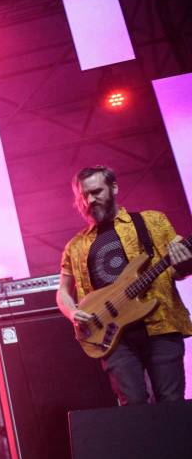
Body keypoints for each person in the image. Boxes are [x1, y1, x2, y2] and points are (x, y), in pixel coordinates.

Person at [56, 165, 192, 405]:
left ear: (114, 188)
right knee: (133, 409)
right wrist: (73, 312)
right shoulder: (74, 246)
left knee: (172, 405)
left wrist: (185, 262)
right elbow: (63, 292)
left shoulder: (152, 221)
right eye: (83, 196)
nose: (90, 200)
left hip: (160, 326)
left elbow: (178, 270)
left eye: (96, 191)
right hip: (112, 336)